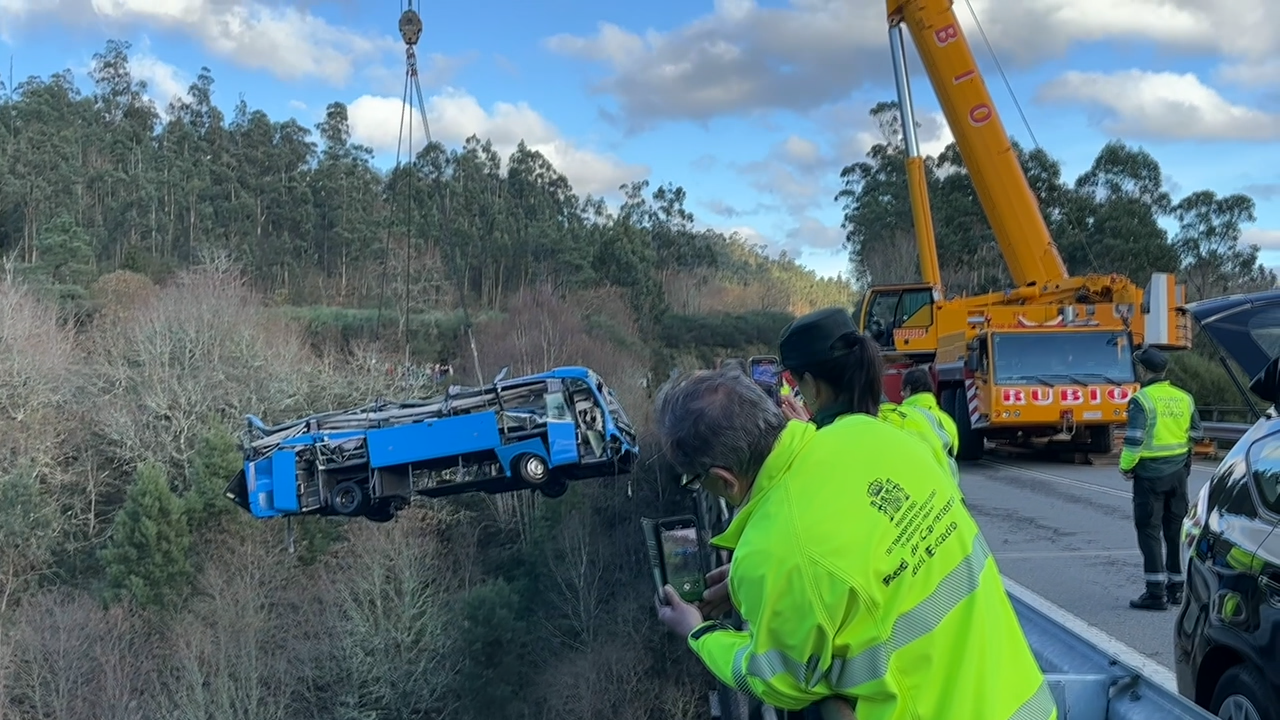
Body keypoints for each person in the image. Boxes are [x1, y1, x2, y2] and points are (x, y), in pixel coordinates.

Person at [652, 366, 1055, 719]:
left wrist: (700, 633)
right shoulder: (869, 432)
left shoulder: (773, 552)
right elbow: (862, 577)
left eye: (696, 479)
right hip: (1026, 703)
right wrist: (754, 591)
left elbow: (781, 682)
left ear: (724, 479)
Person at [774, 308, 960, 490]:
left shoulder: (829, 452)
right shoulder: (918, 420)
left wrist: (808, 443)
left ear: (810, 384)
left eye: (799, 384)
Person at [1120, 346, 1203, 611]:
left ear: (1143, 370)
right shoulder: (1185, 397)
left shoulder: (1141, 400)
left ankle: (1155, 593)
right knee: (1174, 531)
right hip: (1178, 476)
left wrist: (1126, 466)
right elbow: (1197, 434)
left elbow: (1134, 440)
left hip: (1150, 476)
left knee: (1149, 531)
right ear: (1165, 370)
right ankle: (1177, 589)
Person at [900, 366, 959, 459]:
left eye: (902, 390)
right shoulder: (948, 421)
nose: (901, 394)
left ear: (908, 389)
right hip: (944, 473)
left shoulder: (901, 416)